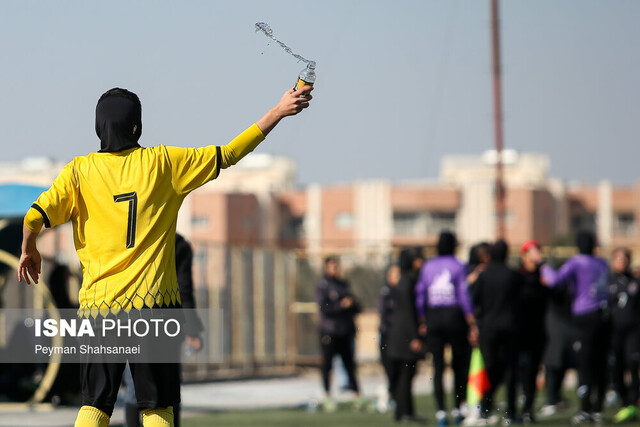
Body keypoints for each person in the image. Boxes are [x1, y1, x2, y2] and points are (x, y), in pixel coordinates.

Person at [18, 84, 313, 427]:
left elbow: (34, 216)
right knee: (157, 407)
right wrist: (278, 110)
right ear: (137, 126)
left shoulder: (79, 171)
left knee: (95, 405)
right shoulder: (163, 163)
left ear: (99, 128)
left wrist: (29, 249)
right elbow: (230, 153)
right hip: (154, 308)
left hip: (100, 309)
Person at [123, 233, 203, 427]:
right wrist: (193, 330)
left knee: (135, 387)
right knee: (168, 389)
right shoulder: (177, 244)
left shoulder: (128, 238)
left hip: (130, 321)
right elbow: (183, 289)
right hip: (167, 325)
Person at [541, 230, 610, 425]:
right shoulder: (602, 263)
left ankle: (585, 409)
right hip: (603, 317)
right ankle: (598, 408)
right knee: (600, 364)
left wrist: (542, 265)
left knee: (585, 364)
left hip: (584, 317)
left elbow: (555, 281)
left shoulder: (576, 262)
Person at [415, 231, 477, 426]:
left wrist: (422, 320)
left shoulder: (427, 266)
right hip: (454, 317)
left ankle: (441, 412)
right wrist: (471, 321)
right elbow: (463, 294)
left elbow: (420, 294)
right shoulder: (459, 265)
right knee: (459, 365)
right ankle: (459, 407)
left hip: (434, 318)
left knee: (438, 367)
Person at [471, 240, 521, 424]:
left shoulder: (484, 275)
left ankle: (485, 407)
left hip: (489, 329)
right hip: (510, 328)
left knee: (489, 368)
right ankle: (512, 411)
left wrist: (476, 324)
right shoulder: (514, 275)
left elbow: (474, 300)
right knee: (511, 371)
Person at [315, 256, 362, 411]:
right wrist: (341, 305)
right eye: (332, 266)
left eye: (337, 266)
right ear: (326, 267)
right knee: (327, 365)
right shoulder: (323, 285)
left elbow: (356, 306)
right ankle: (327, 395)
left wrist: (353, 303)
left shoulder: (343, 284)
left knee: (350, 364)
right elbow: (324, 307)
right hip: (330, 331)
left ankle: (357, 395)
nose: (335, 269)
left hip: (345, 331)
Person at [386, 248, 425, 423]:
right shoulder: (409, 281)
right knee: (406, 375)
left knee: (404, 375)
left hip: (398, 334)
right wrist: (414, 336)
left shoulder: (402, 281)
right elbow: (409, 312)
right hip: (405, 335)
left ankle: (403, 412)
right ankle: (404, 412)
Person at [607, 247, 640, 423]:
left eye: (624, 258)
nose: (621, 261)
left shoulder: (635, 282)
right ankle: (625, 403)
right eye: (618, 258)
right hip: (614, 333)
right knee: (616, 369)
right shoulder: (607, 282)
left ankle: (633, 404)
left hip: (633, 333)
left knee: (633, 365)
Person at [517, 240, 548, 423]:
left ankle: (528, 408)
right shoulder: (518, 276)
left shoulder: (543, 275)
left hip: (538, 330)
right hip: (519, 331)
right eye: (531, 253)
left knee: (533, 370)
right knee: (520, 371)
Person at [378, 263, 401, 412]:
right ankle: (388, 395)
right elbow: (384, 315)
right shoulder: (386, 292)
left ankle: (395, 397)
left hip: (399, 337)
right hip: (389, 336)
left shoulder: (403, 291)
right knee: (390, 368)